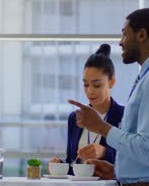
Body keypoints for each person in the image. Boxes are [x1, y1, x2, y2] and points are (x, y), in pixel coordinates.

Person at [69, 8, 149, 186]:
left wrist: (101, 127)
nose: (120, 42)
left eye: (125, 34)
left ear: (142, 35)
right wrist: (117, 170)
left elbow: (148, 151)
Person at [49, 44, 124, 174]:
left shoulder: (124, 116)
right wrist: (59, 165)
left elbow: (133, 160)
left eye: (97, 85)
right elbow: (72, 162)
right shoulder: (75, 118)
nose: (90, 91)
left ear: (112, 82)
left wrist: (104, 152)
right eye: (85, 84)